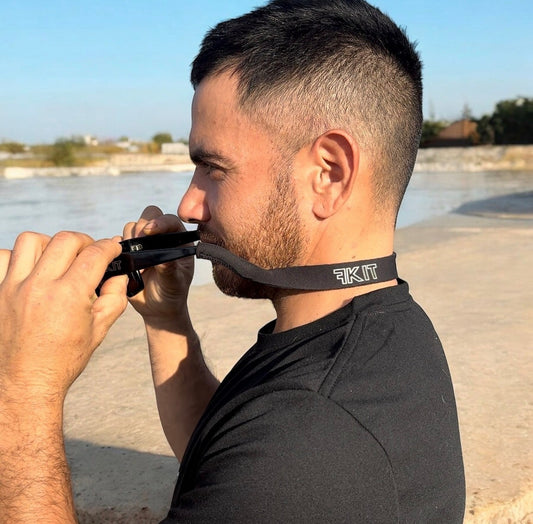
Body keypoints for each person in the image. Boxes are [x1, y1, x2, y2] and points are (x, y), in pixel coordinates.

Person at [0, 0, 465, 522]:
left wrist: (22, 391)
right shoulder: (374, 330)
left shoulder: (312, 439)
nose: (187, 205)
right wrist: (166, 319)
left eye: (214, 169)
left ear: (329, 174)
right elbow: (227, 465)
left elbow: (276, 465)